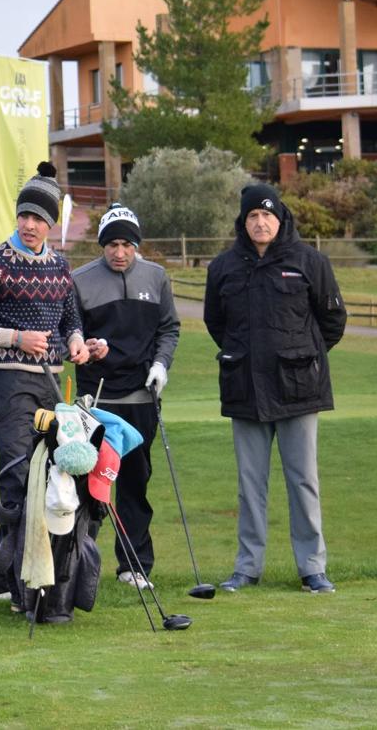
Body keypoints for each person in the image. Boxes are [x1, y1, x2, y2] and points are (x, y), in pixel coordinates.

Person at [0, 162, 89, 604]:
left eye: (39, 218)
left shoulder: (61, 269)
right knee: (16, 474)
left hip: (50, 386)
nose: (30, 224)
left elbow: (70, 319)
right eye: (24, 215)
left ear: (50, 223)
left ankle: (33, 575)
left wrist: (79, 341)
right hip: (7, 385)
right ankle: (8, 579)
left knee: (47, 477)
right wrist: (14, 338)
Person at [203, 183, 346, 594]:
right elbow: (217, 324)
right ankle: (247, 568)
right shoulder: (223, 268)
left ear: (280, 218)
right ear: (243, 222)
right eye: (252, 216)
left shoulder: (309, 262)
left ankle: (312, 568)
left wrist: (303, 356)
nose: (260, 222)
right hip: (244, 388)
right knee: (250, 486)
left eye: (267, 215)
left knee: (303, 481)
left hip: (299, 391)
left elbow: (332, 322)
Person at [73, 204, 180, 590]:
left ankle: (133, 566)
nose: (120, 252)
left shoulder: (157, 277)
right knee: (89, 484)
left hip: (140, 396)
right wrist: (86, 346)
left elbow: (169, 328)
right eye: (113, 244)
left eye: (128, 244)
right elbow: (69, 334)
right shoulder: (80, 280)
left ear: (137, 245)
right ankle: (80, 561)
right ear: (103, 245)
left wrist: (161, 365)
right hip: (96, 398)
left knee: (135, 482)